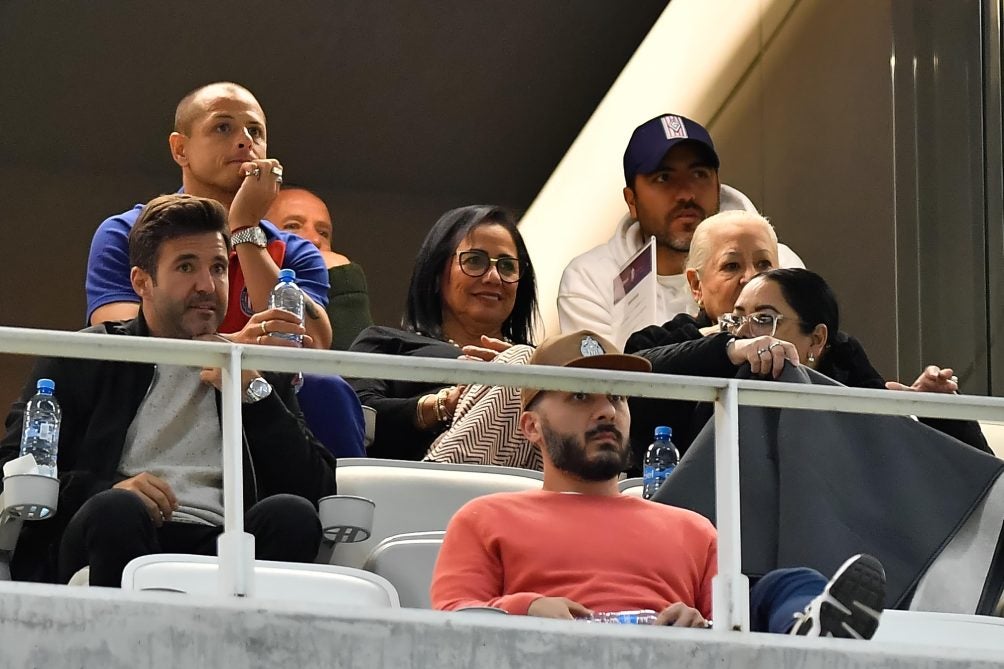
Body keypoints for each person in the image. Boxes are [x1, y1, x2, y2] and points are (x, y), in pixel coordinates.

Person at [430, 330, 887, 638]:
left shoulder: (692, 528)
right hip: (543, 658)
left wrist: (699, 625)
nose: (607, 411)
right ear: (531, 426)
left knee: (786, 584)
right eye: (580, 396)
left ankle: (814, 640)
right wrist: (527, 609)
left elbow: (726, 631)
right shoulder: (486, 518)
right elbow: (448, 624)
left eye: (617, 396)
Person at [0, 194, 337, 586]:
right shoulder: (88, 355)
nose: (207, 285)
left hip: (227, 543)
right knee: (115, 509)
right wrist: (104, 487)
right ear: (142, 282)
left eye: (217, 268)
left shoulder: (254, 368)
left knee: (291, 515)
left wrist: (255, 395)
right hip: (119, 530)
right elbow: (13, 465)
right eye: (186, 267)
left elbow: (318, 490)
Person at [625, 251, 992, 456]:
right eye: (737, 320)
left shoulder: (849, 373)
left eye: (764, 320)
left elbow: (978, 482)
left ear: (816, 340)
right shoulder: (716, 359)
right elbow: (632, 381)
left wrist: (939, 413)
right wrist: (730, 349)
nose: (749, 331)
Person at [86, 81, 334, 349]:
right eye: (223, 127)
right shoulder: (124, 232)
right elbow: (118, 343)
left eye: (255, 131)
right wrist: (234, 348)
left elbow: (313, 348)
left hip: (263, 391)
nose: (245, 141)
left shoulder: (296, 252)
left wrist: (244, 229)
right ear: (180, 149)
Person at [557, 113, 803, 348]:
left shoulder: (780, 262)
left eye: (699, 174)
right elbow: (602, 382)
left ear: (718, 185)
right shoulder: (592, 277)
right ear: (631, 200)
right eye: (664, 178)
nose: (686, 194)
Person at [350, 205, 541, 468]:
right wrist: (445, 404)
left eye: (508, 266)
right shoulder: (386, 343)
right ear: (438, 274)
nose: (494, 277)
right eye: (475, 260)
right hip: (421, 482)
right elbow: (355, 417)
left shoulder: (540, 361)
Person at [266, 187, 374, 350]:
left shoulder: (338, 274)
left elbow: (360, 371)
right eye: (293, 226)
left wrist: (343, 278)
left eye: (323, 233)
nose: (315, 239)